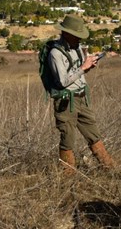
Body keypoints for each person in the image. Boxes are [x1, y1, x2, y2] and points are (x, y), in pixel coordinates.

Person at [47, 13, 115, 175]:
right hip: (65, 101)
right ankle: (67, 175)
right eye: (77, 35)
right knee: (68, 138)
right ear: (67, 33)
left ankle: (109, 167)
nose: (79, 39)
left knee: (93, 133)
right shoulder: (55, 54)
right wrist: (83, 67)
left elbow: (76, 73)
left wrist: (88, 65)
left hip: (81, 97)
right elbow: (63, 81)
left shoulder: (76, 48)